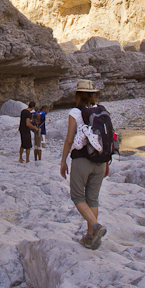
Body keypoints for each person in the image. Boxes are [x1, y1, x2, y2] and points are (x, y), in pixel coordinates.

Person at [60, 79, 110, 249]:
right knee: (92, 198)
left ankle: (96, 227)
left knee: (77, 196)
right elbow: (108, 137)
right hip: (101, 160)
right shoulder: (101, 110)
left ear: (77, 96)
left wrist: (63, 161)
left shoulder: (75, 112)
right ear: (92, 95)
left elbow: (69, 139)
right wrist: (107, 160)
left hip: (82, 159)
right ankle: (90, 236)